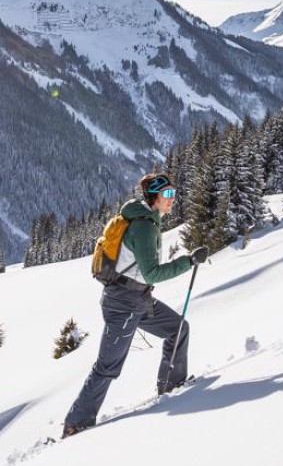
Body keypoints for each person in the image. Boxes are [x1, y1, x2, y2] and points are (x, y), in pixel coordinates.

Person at [62, 174, 209, 437]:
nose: (172, 200)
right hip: (124, 303)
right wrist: (187, 262)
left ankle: (172, 387)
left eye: (173, 193)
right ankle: (77, 422)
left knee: (178, 330)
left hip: (137, 299)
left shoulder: (148, 221)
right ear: (153, 197)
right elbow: (151, 273)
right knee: (108, 365)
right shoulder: (143, 226)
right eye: (167, 195)